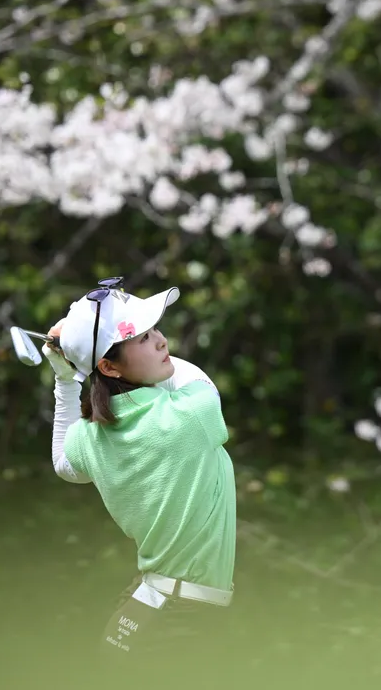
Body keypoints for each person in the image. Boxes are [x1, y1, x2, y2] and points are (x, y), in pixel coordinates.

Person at [39, 277, 236, 669]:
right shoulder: (190, 413)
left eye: (156, 330)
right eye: (143, 337)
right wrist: (79, 359)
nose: (162, 341)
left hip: (151, 608)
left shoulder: (91, 435)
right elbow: (188, 375)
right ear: (109, 365)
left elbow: (63, 463)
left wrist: (68, 375)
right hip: (177, 624)